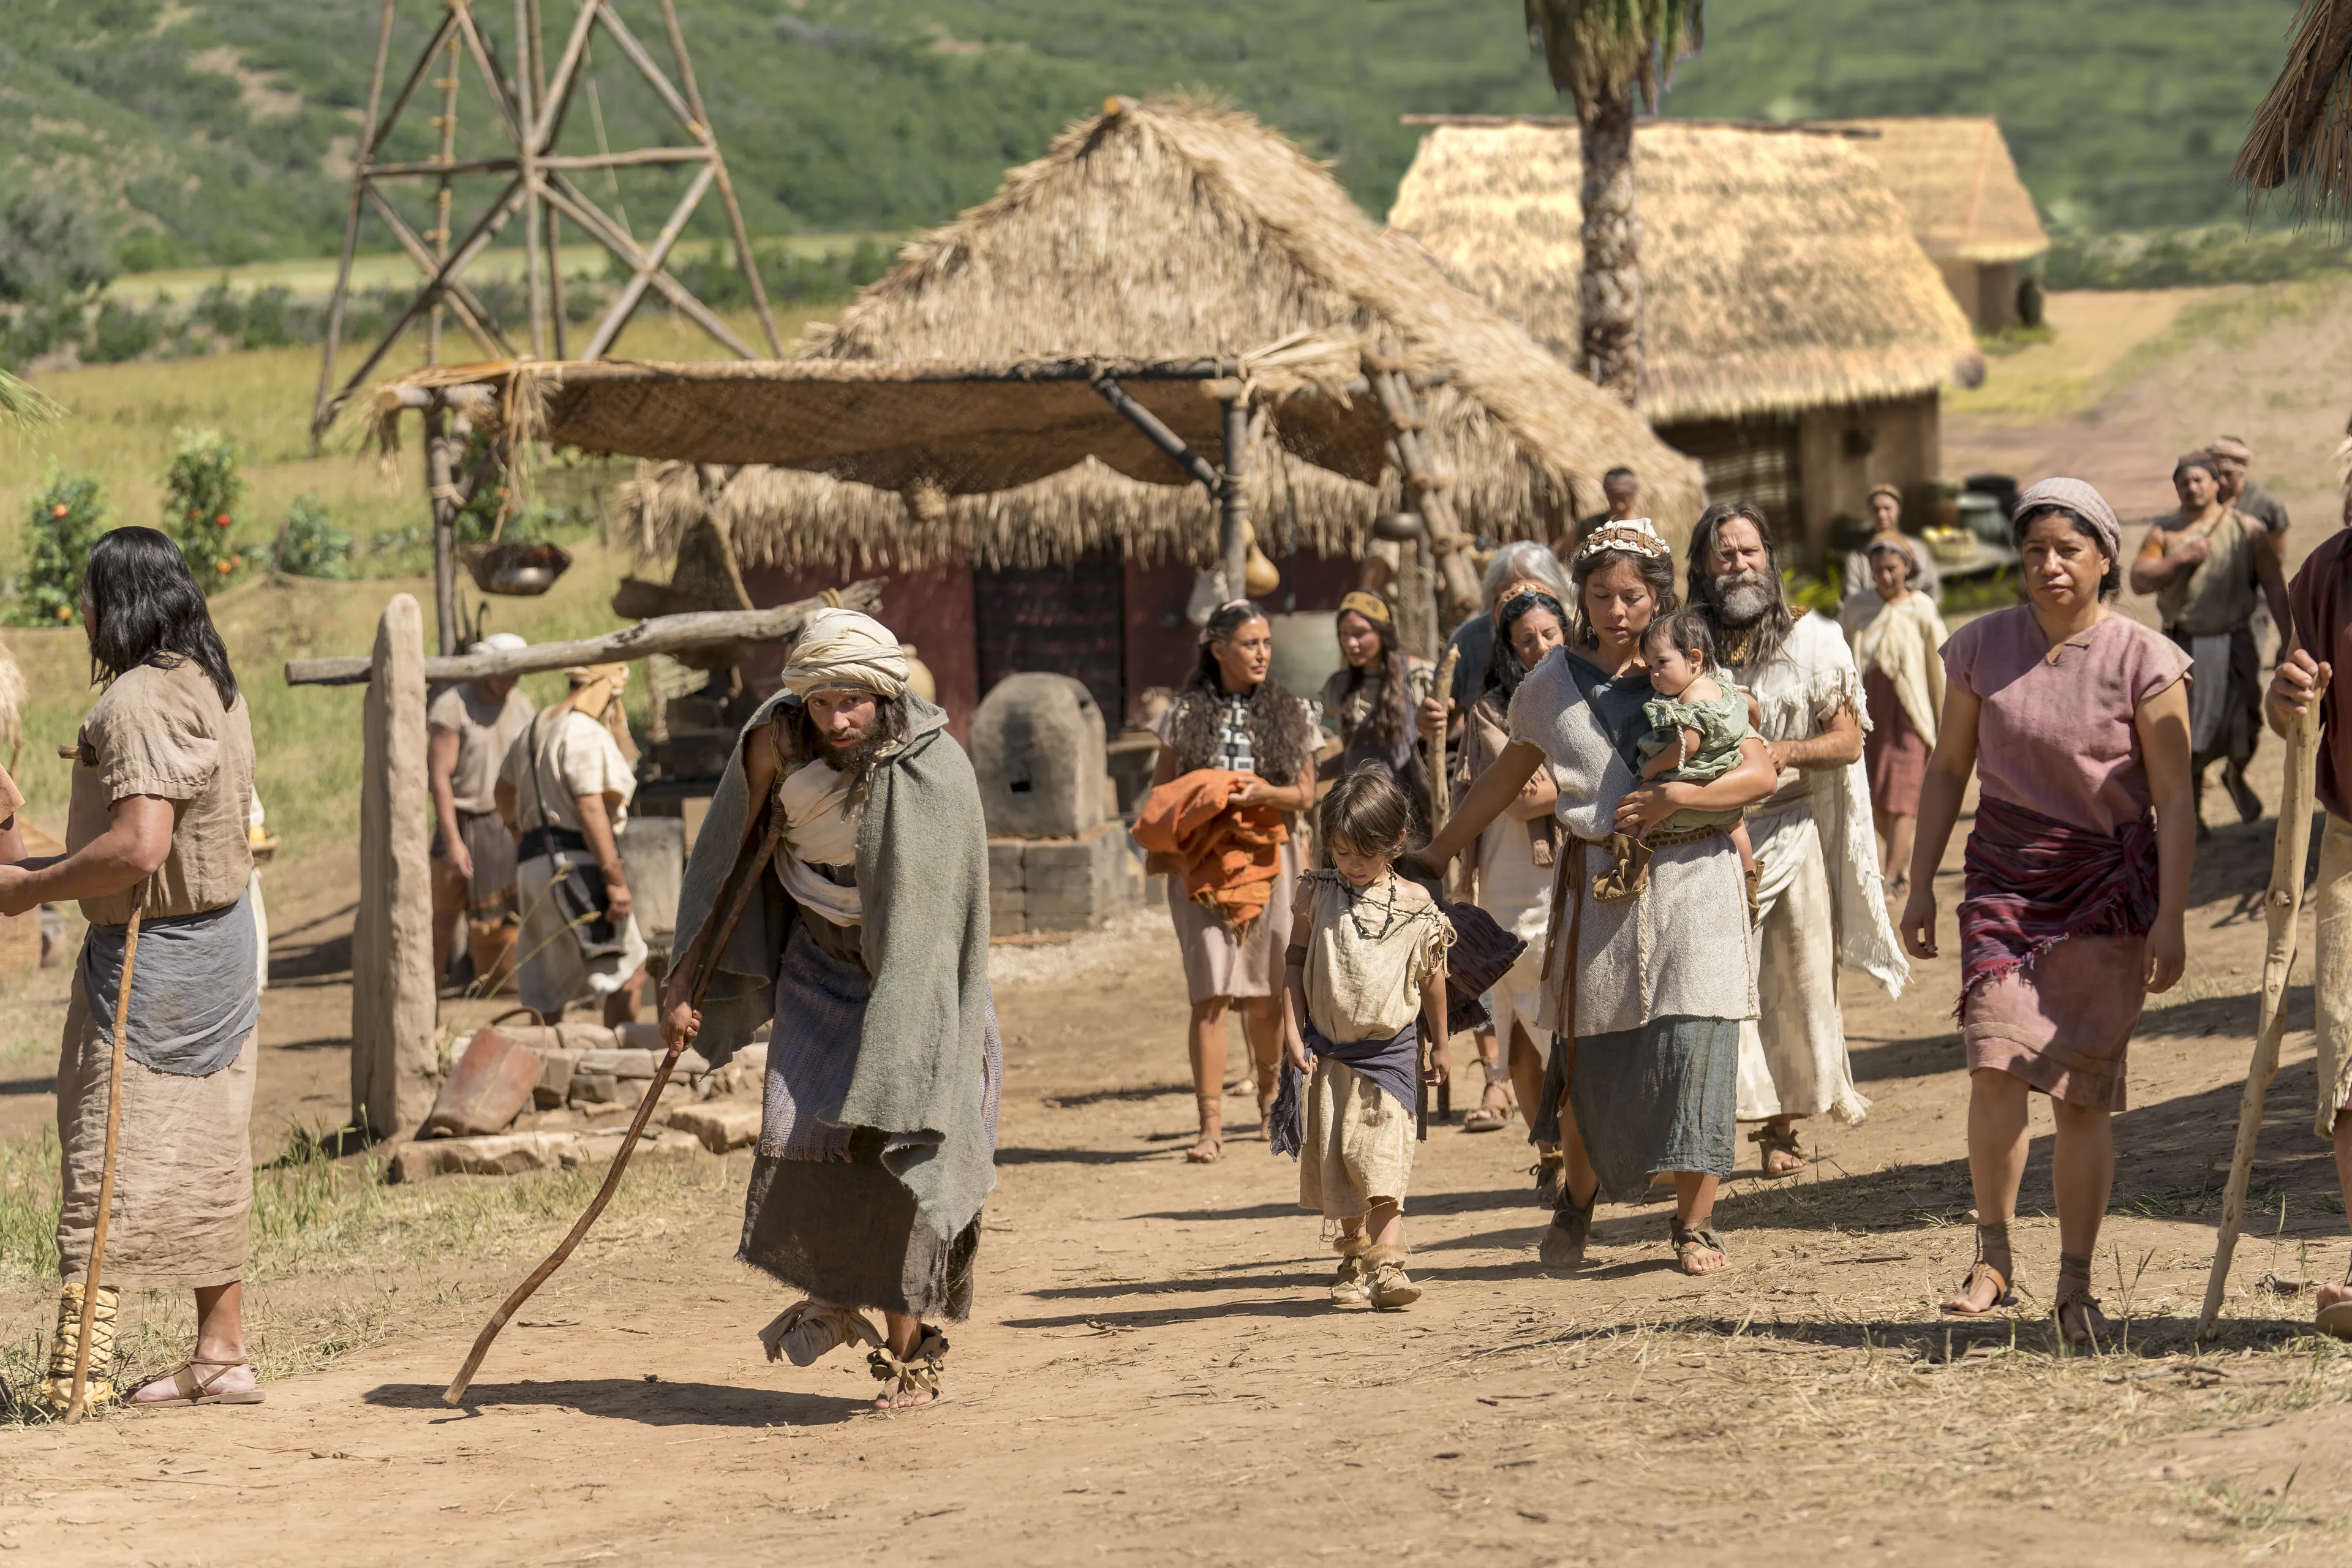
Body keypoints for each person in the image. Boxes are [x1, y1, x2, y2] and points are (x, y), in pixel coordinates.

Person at [1415, 519, 1779, 1278]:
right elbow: (1506, 777)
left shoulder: (1694, 670)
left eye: (1634, 595)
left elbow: (1758, 768)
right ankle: (1576, 1203)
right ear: (1581, 595)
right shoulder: (1549, 685)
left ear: (1659, 598)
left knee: (1698, 1043)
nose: (1618, 610)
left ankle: (1694, 1224)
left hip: (1697, 880)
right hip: (1602, 893)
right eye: (1603, 594)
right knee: (1592, 1059)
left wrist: (1679, 793)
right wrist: (1439, 850)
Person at [660, 608, 998, 1411]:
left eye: (853, 701)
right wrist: (684, 983)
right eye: (822, 702)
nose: (838, 719)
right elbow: (727, 863)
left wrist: (916, 1023)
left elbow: (945, 922)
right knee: (798, 1132)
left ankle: (911, 1358)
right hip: (818, 963)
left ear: (884, 694)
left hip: (916, 986)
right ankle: (834, 1290)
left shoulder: (934, 767)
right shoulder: (774, 747)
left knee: (902, 1154)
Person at [1901, 478, 2192, 1344]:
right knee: (1994, 1062)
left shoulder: (2147, 660)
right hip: (2003, 884)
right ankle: (1993, 1256)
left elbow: (2175, 798)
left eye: (2068, 550)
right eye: (2034, 552)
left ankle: (2076, 1285)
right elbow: (1949, 769)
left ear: (2105, 558)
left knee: (2079, 1097)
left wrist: (2171, 916)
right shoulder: (1981, 649)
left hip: (2104, 894)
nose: (2049, 566)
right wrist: (1920, 882)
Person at [0, 529, 260, 1410]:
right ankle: (221, 1354)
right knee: (211, 1144)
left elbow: (138, 849)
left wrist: (32, 882)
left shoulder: (140, 702)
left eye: (86, 598)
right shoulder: (210, 686)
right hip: (219, 947)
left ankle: (77, 1374)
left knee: (106, 1145)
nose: (78, 615)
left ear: (116, 604)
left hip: (154, 957)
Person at [1689, 502, 1906, 1177]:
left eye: (1749, 552)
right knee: (1721, 983)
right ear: (1701, 567)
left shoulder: (1815, 640)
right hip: (1709, 837)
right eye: (1724, 555)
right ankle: (1717, 1125)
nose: (1738, 565)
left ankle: (1781, 1125)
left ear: (1770, 558)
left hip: (1793, 825)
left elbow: (1846, 740)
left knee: (1798, 978)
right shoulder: (1684, 646)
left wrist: (1783, 752)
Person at [1144, 600, 1319, 1163]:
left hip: (1273, 857)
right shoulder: (1184, 715)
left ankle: (1270, 1105)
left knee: (1268, 994)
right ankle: (1209, 1127)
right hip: (1202, 863)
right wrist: (1207, 797)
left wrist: (1263, 794)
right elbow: (1160, 796)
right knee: (1211, 992)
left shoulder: (1292, 711)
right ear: (1218, 650)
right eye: (1250, 644)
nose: (1262, 653)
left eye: (1267, 643)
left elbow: (1306, 794)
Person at [1273, 769, 1452, 1310]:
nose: (1351, 865)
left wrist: (1440, 1043)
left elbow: (1433, 978)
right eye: (1342, 852)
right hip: (1330, 1057)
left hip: (1390, 1056)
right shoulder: (1316, 892)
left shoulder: (1417, 904)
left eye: (1364, 855)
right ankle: (1355, 1260)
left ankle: (1391, 1267)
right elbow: (1295, 962)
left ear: (1396, 842)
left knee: (1381, 1160)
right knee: (1343, 1164)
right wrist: (1290, 1026)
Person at [1451, 586, 1569, 1145]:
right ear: (1508, 649)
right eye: (1526, 640)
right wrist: (1601, 785)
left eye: (1550, 634)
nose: (1541, 647)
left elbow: (1553, 788)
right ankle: (1549, 1150)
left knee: (1569, 1010)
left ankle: (1577, 1148)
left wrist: (1565, 787)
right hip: (1514, 875)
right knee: (1521, 1010)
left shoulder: (1592, 695)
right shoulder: (1493, 711)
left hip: (1577, 865)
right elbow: (1525, 797)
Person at [2129, 451, 2289, 833]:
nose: (2192, 487)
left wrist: (2290, 637)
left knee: (2246, 722)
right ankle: (2193, 811)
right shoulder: (2164, 533)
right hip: (2186, 646)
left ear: (2217, 483)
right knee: (2188, 731)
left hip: (2237, 643)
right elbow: (2140, 578)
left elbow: (2273, 583)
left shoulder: (2246, 528)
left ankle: (2236, 774)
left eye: (2199, 479)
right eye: (2184, 482)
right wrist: (2182, 558)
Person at [497, 662, 647, 1027]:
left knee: (546, 988)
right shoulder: (581, 729)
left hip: (533, 866)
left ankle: (549, 1074)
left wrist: (522, 834)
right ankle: (617, 1071)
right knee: (628, 974)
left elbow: (502, 792)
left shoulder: (533, 729)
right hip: (574, 866)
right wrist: (614, 880)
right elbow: (588, 805)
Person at [1842, 532, 1948, 907]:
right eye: (1878, 571)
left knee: (1902, 796)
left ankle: (1891, 875)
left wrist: (1944, 717)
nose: (1886, 577)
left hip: (1910, 714)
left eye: (1892, 569)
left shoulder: (1922, 609)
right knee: (1873, 796)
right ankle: (1902, 861)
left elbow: (1939, 668)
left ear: (1908, 567)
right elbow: (1841, 658)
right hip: (1870, 714)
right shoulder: (1857, 608)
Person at [428, 631, 535, 986]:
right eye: (504, 671)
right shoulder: (453, 705)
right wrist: (454, 841)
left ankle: (513, 989)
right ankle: (427, 996)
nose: (509, 680)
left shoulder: (522, 706)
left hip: (507, 822)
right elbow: (440, 778)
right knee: (444, 916)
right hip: (461, 819)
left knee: (514, 914)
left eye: (516, 673)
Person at [1633, 609, 1758, 886]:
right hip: (1725, 786)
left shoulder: (1692, 696)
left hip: (1692, 779)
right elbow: (1752, 706)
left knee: (1637, 812)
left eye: (1661, 663)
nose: (1654, 674)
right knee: (1737, 826)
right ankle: (1750, 878)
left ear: (1695, 658)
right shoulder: (1722, 688)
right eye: (1649, 667)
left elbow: (1687, 745)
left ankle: (1629, 869)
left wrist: (1654, 766)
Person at [1318, 590, 1435, 829]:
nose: (1351, 643)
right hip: (1357, 815)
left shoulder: (1418, 676)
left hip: (1410, 815)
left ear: (1382, 631)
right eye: (1344, 634)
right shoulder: (1340, 687)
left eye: (1360, 634)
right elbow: (1352, 754)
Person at [2210, 434, 2290, 556]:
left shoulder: (2267, 505)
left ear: (2242, 471)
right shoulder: (2204, 501)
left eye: (2228, 474)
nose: (2222, 481)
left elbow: (2277, 556)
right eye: (2217, 474)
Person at [1563, 467, 1641, 553]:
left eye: (1624, 497)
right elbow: (1558, 553)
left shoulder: (1646, 530)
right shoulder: (1589, 526)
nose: (1619, 505)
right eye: (1614, 497)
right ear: (1607, 493)